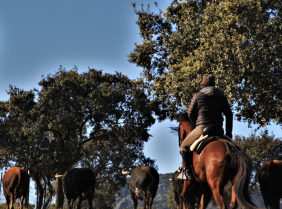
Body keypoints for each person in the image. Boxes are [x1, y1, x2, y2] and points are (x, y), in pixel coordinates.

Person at [177, 73, 233, 180]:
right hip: (219, 130)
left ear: (204, 84)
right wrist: (229, 134)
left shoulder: (198, 96)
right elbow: (229, 114)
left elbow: (190, 114)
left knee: (183, 146)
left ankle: (188, 174)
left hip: (202, 128)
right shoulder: (221, 96)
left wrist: (196, 124)